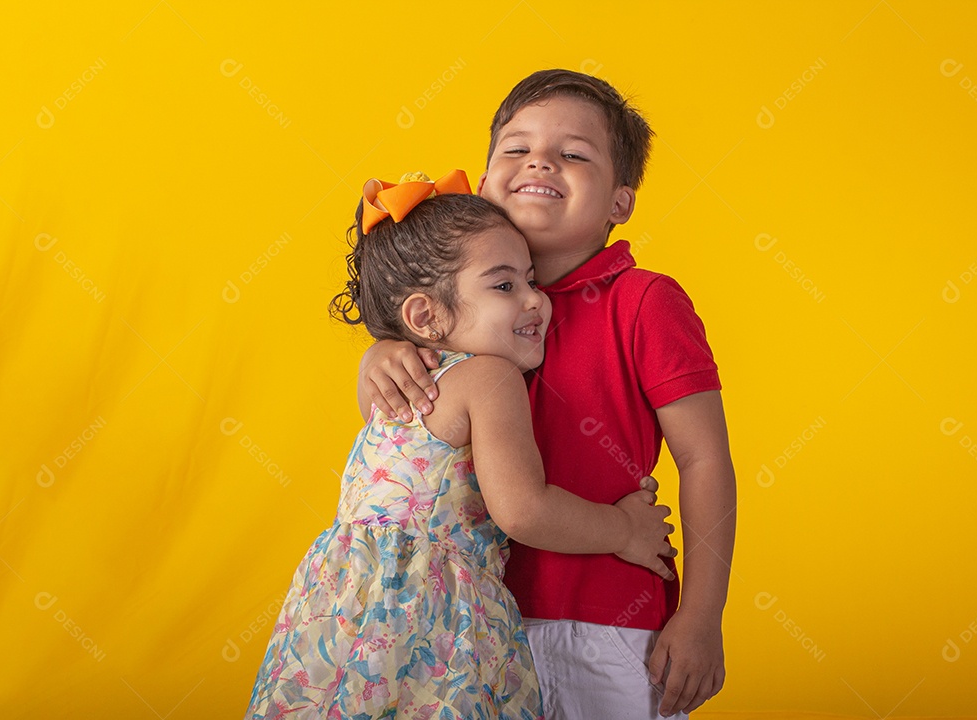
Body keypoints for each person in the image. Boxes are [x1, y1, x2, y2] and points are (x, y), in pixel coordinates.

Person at [359, 71, 737, 719]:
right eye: (516, 148)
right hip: (469, 624)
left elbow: (705, 461)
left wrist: (702, 616)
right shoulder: (457, 312)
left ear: (621, 202)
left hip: (604, 619)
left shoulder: (644, 301)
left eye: (574, 154)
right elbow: (407, 438)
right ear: (482, 187)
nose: (539, 161)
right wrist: (381, 352)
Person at [243, 171, 678, 720]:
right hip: (431, 612)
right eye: (505, 286)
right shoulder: (489, 378)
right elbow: (523, 508)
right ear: (426, 316)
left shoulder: (397, 381)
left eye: (530, 280)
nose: (535, 302)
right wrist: (625, 531)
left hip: (341, 615)